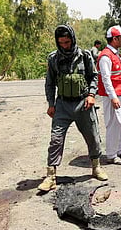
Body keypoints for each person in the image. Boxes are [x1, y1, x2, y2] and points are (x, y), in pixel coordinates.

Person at [38, 25, 108, 192]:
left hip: (83, 103)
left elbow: (94, 77)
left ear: (73, 39)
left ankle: (96, 167)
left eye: (67, 42)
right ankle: (51, 176)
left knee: (92, 136)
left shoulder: (85, 56)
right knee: (56, 139)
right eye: (61, 42)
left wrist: (91, 95)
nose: (65, 46)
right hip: (62, 105)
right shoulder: (53, 58)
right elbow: (50, 83)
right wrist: (51, 104)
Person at [97, 25, 121, 165]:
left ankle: (119, 151)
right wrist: (113, 97)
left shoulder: (115, 54)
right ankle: (111, 155)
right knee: (113, 124)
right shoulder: (105, 56)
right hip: (113, 96)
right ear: (115, 39)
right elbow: (106, 79)